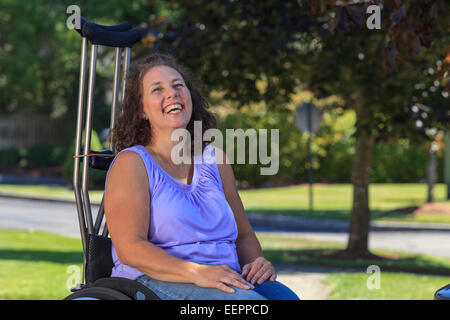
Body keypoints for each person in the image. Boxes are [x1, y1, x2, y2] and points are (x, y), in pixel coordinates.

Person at [104, 52, 300, 300]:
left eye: (178, 86)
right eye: (157, 89)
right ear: (141, 110)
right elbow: (130, 248)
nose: (172, 93)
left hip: (224, 277)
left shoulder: (214, 160)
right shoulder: (133, 163)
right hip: (152, 281)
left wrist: (257, 262)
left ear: (190, 97)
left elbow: (244, 236)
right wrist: (196, 272)